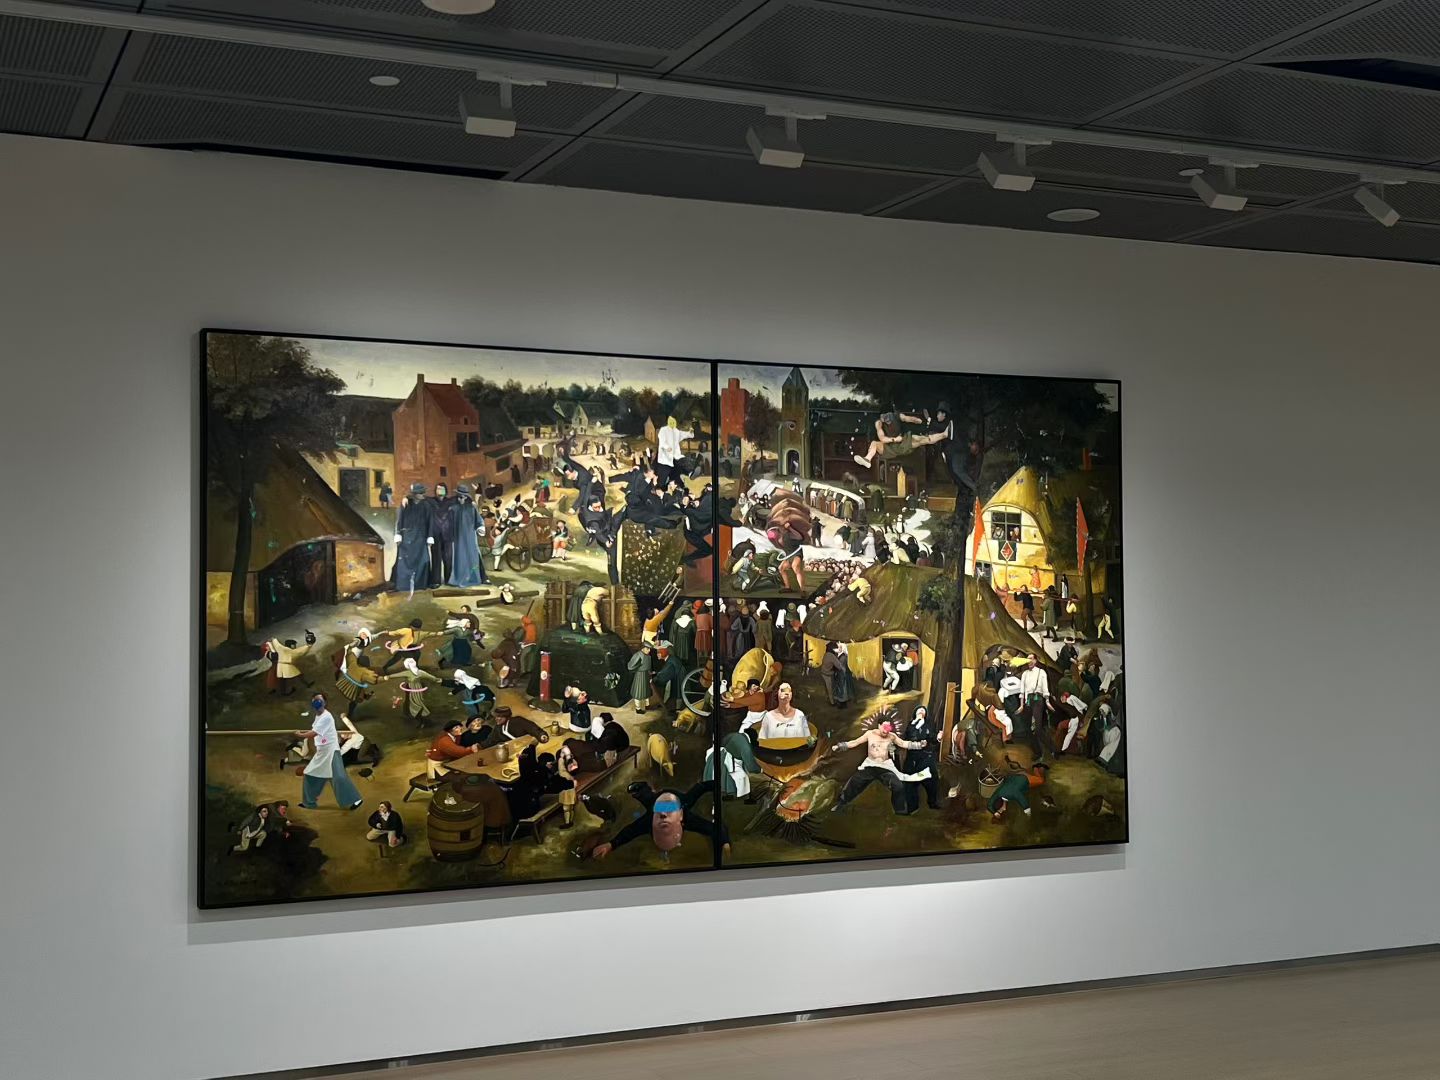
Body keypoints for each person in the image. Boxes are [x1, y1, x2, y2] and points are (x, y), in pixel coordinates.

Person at [590, 782, 728, 861]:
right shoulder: (655, 816)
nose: (663, 815)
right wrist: (611, 845)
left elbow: (630, 831)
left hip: (669, 801)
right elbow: (631, 831)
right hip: (665, 800)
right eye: (661, 812)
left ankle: (643, 789)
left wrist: (611, 844)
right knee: (646, 796)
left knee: (645, 795)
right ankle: (644, 790)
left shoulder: (680, 809)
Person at [830, 721, 930, 814]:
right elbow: (855, 742)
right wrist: (840, 746)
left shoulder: (892, 736)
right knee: (854, 781)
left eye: (888, 728)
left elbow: (903, 743)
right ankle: (841, 804)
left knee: (898, 785)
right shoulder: (870, 734)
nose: (886, 731)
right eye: (884, 727)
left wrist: (919, 745)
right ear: (879, 725)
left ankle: (900, 811)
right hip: (870, 765)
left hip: (885, 766)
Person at [293, 694, 364, 810]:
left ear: (324, 703)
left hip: (331, 751)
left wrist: (300, 735)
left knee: (339, 777)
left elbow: (313, 733)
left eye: (319, 700)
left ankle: (356, 799)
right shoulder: (318, 716)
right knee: (310, 774)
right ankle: (309, 802)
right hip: (322, 752)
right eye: (315, 700)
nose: (317, 702)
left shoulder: (327, 717)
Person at [391, 482, 435, 593]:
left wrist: (430, 536)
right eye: (420, 493)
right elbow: (399, 519)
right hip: (407, 537)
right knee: (405, 561)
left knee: (422, 560)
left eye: (423, 493)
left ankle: (421, 584)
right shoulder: (406, 504)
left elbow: (430, 522)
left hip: (421, 536)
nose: (422, 495)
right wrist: (398, 534)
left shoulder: (427, 506)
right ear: (415, 494)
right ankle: (403, 584)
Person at [900, 705, 942, 811]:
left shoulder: (928, 725)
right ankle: (912, 806)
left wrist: (938, 737)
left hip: (926, 756)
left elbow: (933, 738)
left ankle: (932, 802)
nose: (921, 711)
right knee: (909, 782)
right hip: (912, 758)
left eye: (923, 711)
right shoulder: (910, 725)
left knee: (932, 779)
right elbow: (904, 739)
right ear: (915, 713)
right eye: (919, 710)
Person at [447, 483, 489, 587]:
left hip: (470, 537)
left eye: (463, 497)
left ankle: (474, 578)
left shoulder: (471, 508)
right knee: (459, 558)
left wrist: (480, 527)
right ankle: (458, 578)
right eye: (459, 497)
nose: (461, 499)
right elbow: (448, 524)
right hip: (458, 538)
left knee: (472, 557)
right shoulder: (453, 508)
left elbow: (478, 520)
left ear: (466, 497)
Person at [745, 682, 813, 744]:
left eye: (787, 691)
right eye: (782, 691)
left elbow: (807, 740)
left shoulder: (799, 715)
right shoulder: (769, 716)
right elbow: (762, 740)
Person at [334, 641, 381, 720]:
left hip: (345, 682)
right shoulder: (363, 673)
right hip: (354, 687)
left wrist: (350, 646)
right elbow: (374, 680)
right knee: (354, 700)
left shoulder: (353, 664)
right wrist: (385, 678)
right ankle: (350, 714)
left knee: (356, 697)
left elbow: (348, 652)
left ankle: (358, 701)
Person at [387, 657, 441, 725]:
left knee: (415, 703)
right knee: (417, 702)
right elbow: (430, 677)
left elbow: (397, 675)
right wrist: (436, 679)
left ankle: (422, 717)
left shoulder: (408, 673)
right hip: (417, 688)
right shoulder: (420, 672)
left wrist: (388, 676)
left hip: (412, 689)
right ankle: (422, 717)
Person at [265, 630, 316, 696]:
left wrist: (274, 639)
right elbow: (301, 651)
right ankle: (307, 684)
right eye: (294, 645)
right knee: (299, 675)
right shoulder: (291, 652)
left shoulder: (281, 649)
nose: (295, 646)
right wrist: (309, 645)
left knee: (282, 680)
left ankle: (282, 692)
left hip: (280, 666)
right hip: (287, 666)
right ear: (291, 645)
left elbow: (277, 644)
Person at [627, 643, 653, 713]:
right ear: (643, 648)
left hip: (646, 675)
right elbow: (630, 666)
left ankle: (647, 705)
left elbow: (649, 667)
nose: (649, 650)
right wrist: (637, 667)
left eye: (649, 649)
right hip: (639, 676)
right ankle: (638, 709)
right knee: (638, 692)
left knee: (647, 692)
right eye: (647, 648)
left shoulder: (648, 656)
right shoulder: (638, 655)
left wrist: (650, 676)